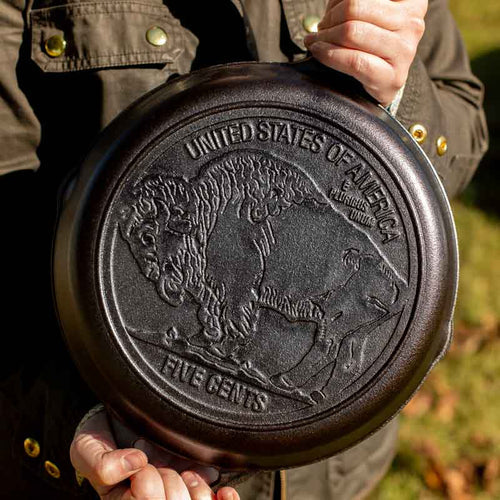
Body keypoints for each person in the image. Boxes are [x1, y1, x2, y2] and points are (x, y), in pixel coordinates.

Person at [0, 0, 488, 498]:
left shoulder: (245, 220)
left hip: (332, 468)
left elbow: (465, 120)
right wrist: (73, 415)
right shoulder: (212, 213)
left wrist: (396, 99)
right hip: (121, 451)